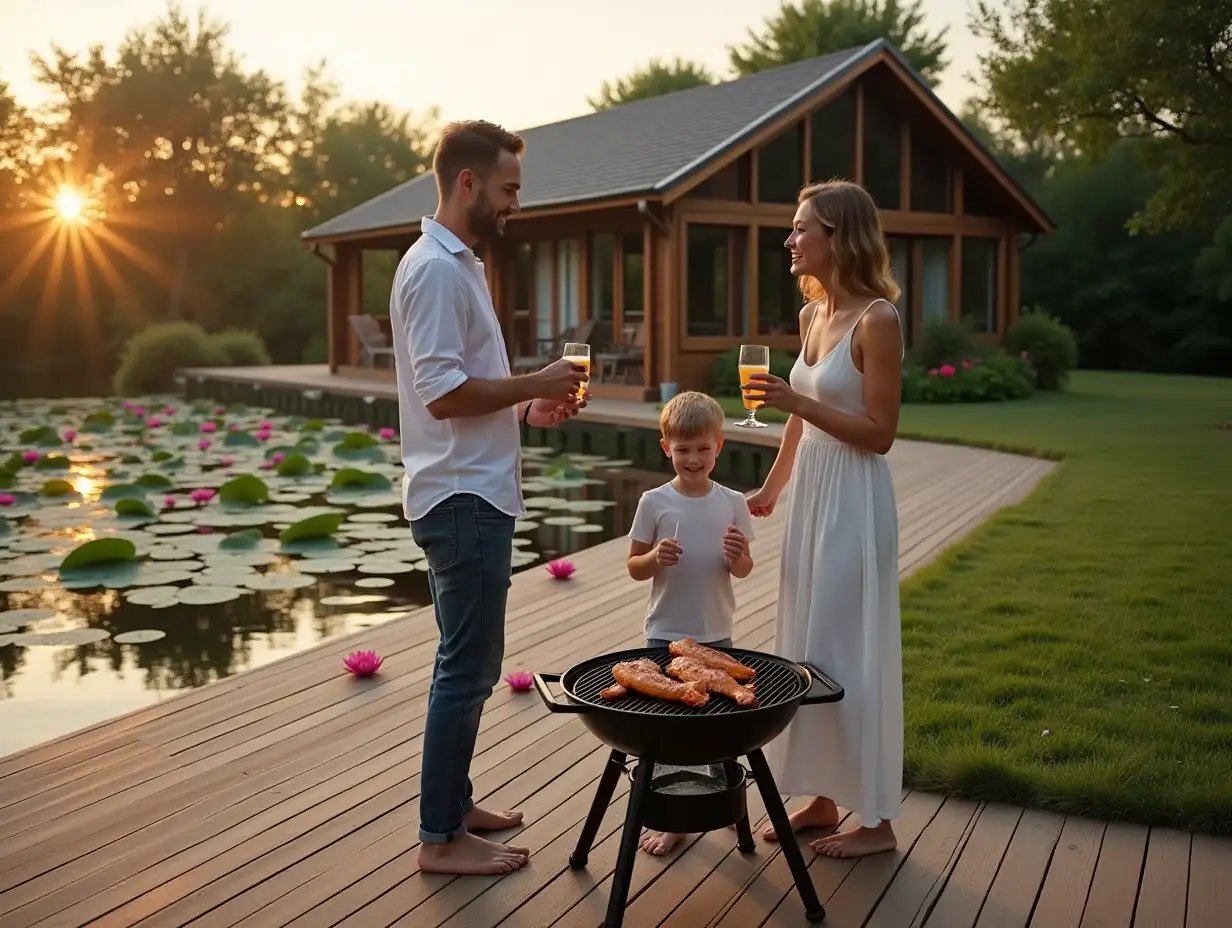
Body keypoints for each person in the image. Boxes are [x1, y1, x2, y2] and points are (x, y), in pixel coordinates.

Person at [390, 120, 590, 876]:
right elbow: (441, 395)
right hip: (462, 500)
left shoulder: (457, 264)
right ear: (467, 182)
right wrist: (535, 382)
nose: (515, 204)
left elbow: (460, 387)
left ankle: (456, 804)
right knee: (467, 669)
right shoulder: (437, 270)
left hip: (472, 492)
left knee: (467, 660)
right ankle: (440, 839)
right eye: (508, 189)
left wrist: (527, 408)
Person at [744, 180, 905, 859]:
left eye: (801, 227)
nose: (790, 239)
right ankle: (820, 795)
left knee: (852, 652)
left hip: (854, 500)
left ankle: (877, 821)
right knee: (807, 645)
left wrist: (796, 405)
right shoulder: (816, 316)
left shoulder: (878, 320)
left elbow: (880, 433)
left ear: (839, 236)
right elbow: (796, 419)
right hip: (813, 494)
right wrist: (774, 487)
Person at [626, 391, 755, 856]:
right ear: (666, 448)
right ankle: (674, 816)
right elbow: (633, 566)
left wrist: (740, 558)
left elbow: (742, 569)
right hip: (664, 631)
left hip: (717, 632)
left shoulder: (733, 502)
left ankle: (727, 802)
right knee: (670, 727)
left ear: (719, 446)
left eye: (703, 448)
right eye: (683, 450)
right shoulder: (654, 501)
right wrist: (653, 557)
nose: (693, 458)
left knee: (720, 726)